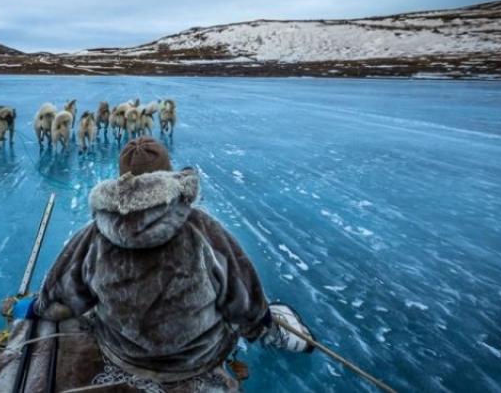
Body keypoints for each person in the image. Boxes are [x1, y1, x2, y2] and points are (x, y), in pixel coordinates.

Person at [26, 137, 313, 390]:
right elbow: (242, 297)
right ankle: (276, 336)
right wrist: (259, 323)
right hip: (196, 359)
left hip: (124, 355)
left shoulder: (92, 236)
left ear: (121, 180)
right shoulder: (201, 228)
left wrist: (36, 308)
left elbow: (58, 301)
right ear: (170, 174)